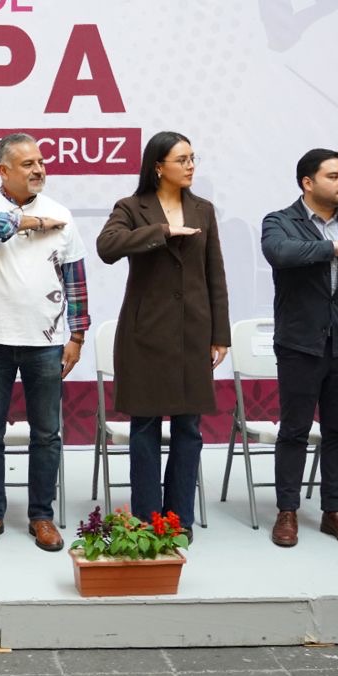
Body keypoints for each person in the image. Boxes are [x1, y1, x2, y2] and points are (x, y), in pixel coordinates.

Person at [96, 131, 229, 541]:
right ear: (158, 166)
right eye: (182, 159)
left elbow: (215, 274)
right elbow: (107, 247)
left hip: (193, 333)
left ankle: (179, 519)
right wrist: (163, 232)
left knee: (189, 430)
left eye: (193, 158)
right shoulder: (131, 207)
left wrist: (220, 334)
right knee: (145, 429)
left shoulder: (203, 210)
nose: (190, 166)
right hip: (145, 334)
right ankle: (148, 520)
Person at [0, 134, 90, 552]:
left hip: (46, 341)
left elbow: (75, 280)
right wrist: (31, 223)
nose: (38, 169)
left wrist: (77, 335)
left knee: (47, 433)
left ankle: (41, 516)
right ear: (3, 170)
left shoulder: (61, 214)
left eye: (41, 162)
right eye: (28, 164)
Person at [260, 149, 338, 548]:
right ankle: (287, 511)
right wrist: (332, 248)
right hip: (299, 343)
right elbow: (279, 253)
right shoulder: (280, 222)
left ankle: (335, 510)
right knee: (294, 430)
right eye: (334, 176)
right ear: (308, 183)